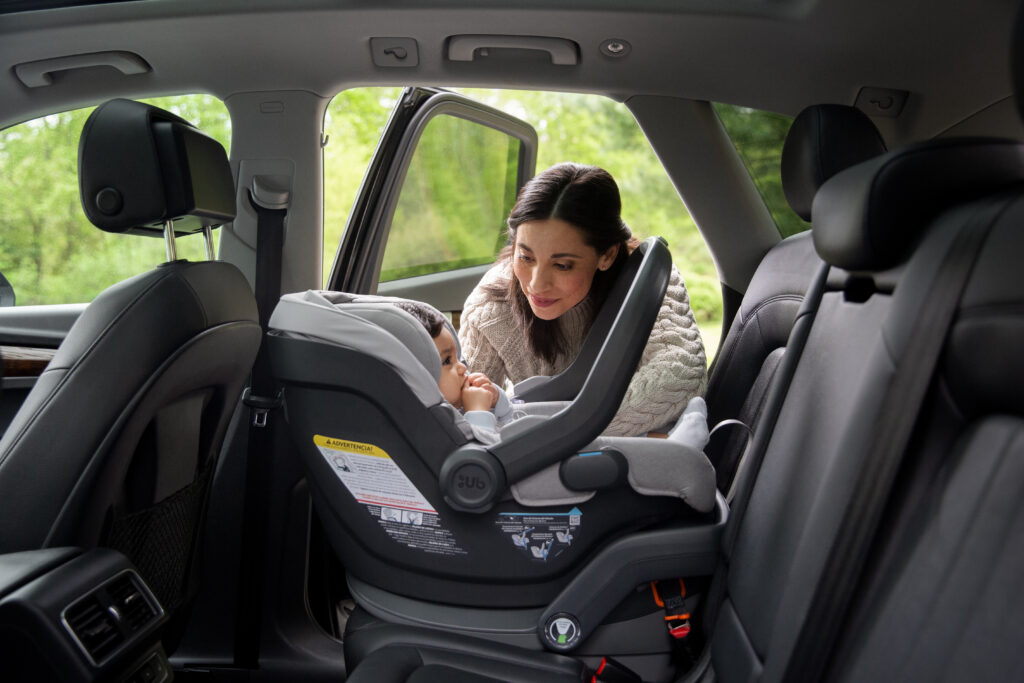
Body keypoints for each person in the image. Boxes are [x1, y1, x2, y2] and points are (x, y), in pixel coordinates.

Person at [459, 162, 707, 437]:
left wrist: (544, 433)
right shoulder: (489, 308)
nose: (536, 284)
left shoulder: (647, 283)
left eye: (562, 265)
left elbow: (680, 375)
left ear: (607, 256)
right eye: (526, 257)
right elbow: (465, 410)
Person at [392, 300, 513, 435]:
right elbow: (476, 454)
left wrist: (495, 399)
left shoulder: (457, 405)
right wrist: (477, 411)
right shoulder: (427, 429)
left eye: (457, 358)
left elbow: (510, 419)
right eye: (447, 361)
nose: (462, 367)